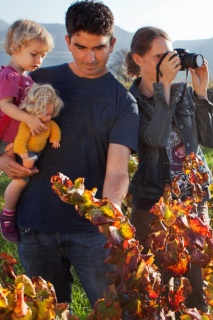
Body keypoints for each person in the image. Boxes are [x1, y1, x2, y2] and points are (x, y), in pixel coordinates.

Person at [0, 0, 139, 310]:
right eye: (80, 46)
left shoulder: (122, 102)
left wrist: (109, 213)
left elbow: (117, 172)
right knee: (49, 314)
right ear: (67, 41)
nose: (90, 57)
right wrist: (1, 159)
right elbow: (5, 124)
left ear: (112, 43)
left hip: (90, 233)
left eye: (99, 48)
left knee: (112, 313)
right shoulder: (35, 82)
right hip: (34, 226)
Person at [125, 26, 213, 313]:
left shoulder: (184, 92)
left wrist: (202, 95)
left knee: (197, 279)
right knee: (155, 282)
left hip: (192, 195)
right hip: (152, 200)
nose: (169, 63)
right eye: (159, 56)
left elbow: (210, 140)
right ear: (137, 59)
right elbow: (154, 139)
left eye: (171, 55)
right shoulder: (130, 102)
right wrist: (162, 87)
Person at [0, 19, 54, 242]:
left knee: (28, 175)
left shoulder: (27, 79)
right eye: (34, 54)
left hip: (21, 139)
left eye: (43, 56)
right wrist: (30, 120)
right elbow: (5, 104)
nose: (39, 61)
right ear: (14, 47)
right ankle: (7, 215)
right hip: (7, 140)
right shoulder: (9, 76)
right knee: (21, 179)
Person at [2, 84, 63, 243]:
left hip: (37, 153)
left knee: (26, 172)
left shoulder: (49, 124)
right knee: (21, 180)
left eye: (50, 114)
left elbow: (55, 129)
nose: (48, 118)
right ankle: (7, 213)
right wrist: (22, 153)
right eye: (45, 114)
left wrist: (54, 140)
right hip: (26, 152)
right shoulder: (27, 125)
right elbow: (20, 141)